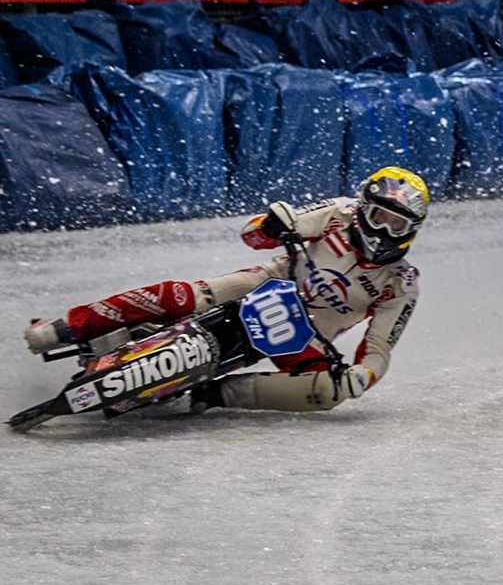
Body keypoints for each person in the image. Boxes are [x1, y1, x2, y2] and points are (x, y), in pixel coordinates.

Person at [23, 169, 429, 415]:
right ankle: (67, 326)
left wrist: (366, 375)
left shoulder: (400, 283)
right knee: (183, 294)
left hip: (302, 335)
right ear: (363, 208)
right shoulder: (337, 212)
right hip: (267, 284)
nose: (383, 231)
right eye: (379, 216)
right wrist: (270, 226)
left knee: (331, 392)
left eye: (397, 224)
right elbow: (253, 234)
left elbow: (379, 349)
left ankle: (215, 394)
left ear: (411, 231)